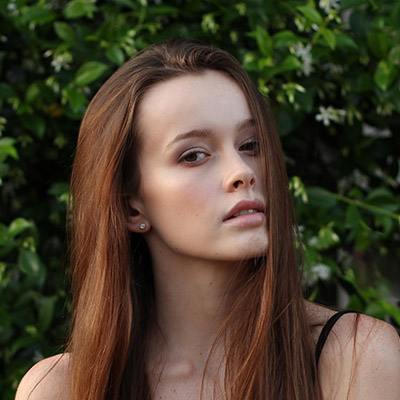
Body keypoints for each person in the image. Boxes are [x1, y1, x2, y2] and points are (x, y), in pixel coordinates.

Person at [16, 38, 400, 400]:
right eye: (194, 155)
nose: (242, 171)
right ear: (130, 207)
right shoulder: (62, 389)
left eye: (250, 145)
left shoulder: (354, 356)